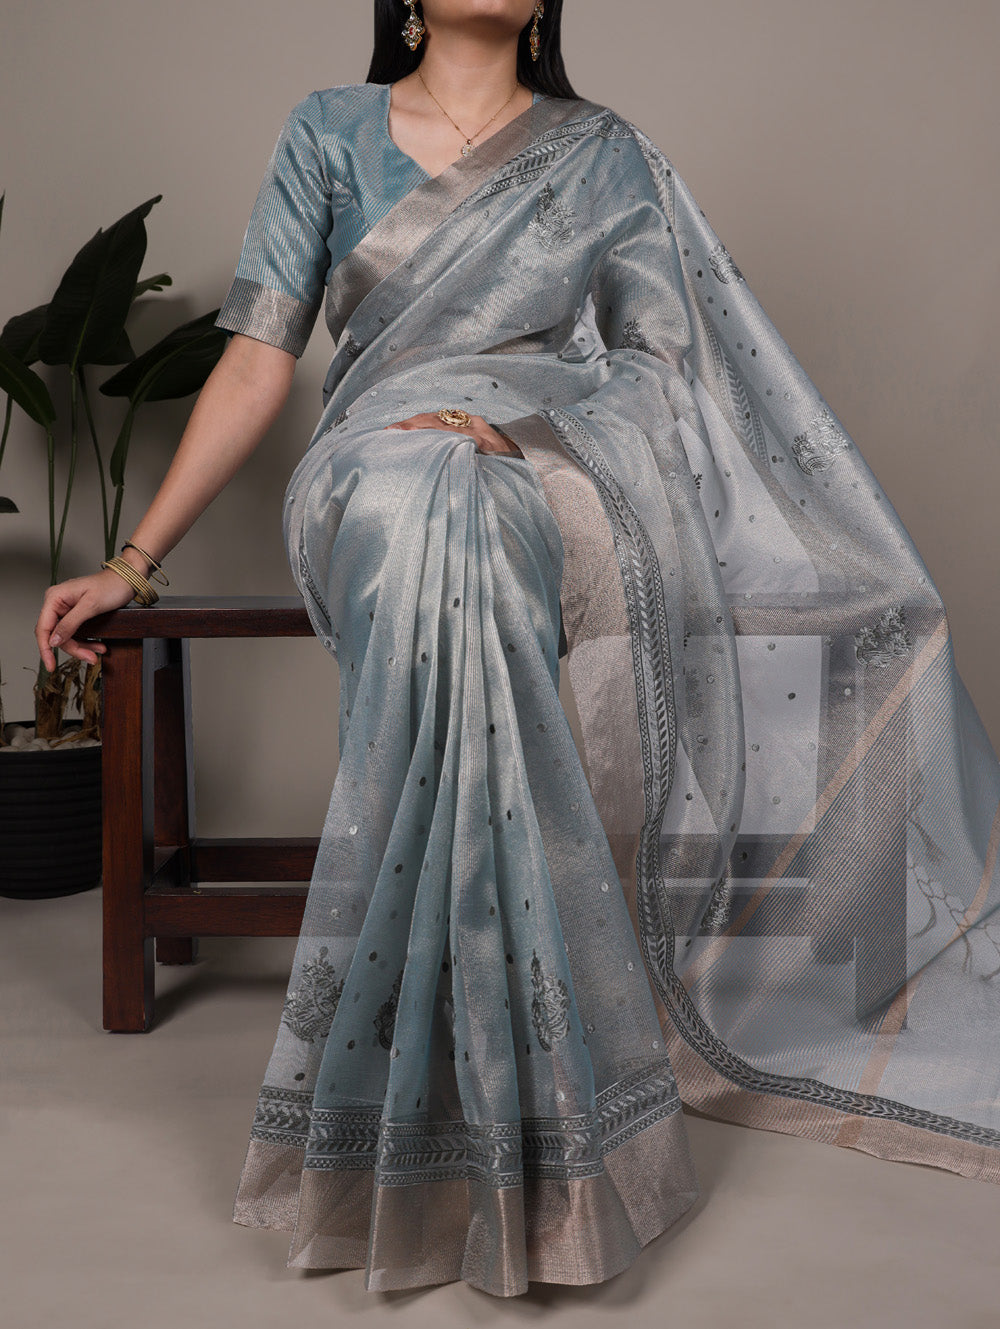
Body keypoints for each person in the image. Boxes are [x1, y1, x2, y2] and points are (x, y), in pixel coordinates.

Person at [34, 0, 1000, 1300]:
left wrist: (530, 432)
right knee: (423, 501)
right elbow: (260, 361)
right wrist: (133, 560)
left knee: (480, 516)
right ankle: (514, 1124)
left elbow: (662, 364)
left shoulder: (603, 153)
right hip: (371, 463)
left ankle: (491, 1127)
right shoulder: (327, 130)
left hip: (537, 462)